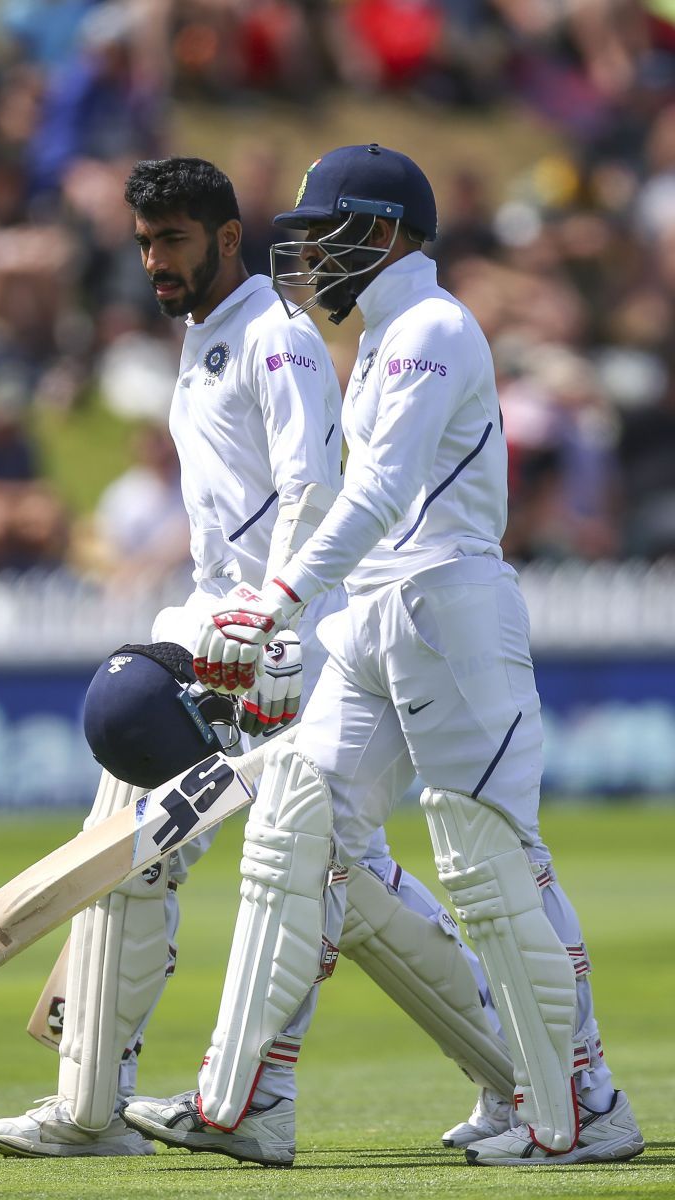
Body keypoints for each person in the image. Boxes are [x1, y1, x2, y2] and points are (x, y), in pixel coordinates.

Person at [0, 156, 516, 1163]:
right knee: (214, 863)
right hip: (213, 631)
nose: (155, 263)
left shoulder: (275, 337)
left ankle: (524, 1079)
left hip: (272, 649)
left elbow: (312, 491)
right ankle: (92, 1112)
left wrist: (271, 632)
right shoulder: (203, 340)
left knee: (264, 870)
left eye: (174, 241)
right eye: (143, 244)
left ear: (228, 237)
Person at [122, 145, 645, 1167]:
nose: (309, 255)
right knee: (291, 837)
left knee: (491, 861)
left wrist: (275, 599)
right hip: (376, 612)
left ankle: (580, 1105)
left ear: (384, 230)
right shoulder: (387, 335)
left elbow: (373, 496)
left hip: (443, 602)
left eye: (326, 234)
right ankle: (246, 1103)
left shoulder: (430, 329)